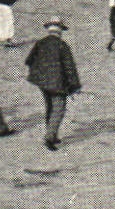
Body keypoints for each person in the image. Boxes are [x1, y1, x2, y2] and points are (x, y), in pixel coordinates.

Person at [25, 16, 81, 151]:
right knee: (59, 109)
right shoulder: (62, 45)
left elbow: (28, 60)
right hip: (58, 83)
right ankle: (49, 137)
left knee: (49, 107)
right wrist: (75, 86)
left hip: (42, 83)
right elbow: (70, 68)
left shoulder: (40, 43)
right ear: (60, 31)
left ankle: (53, 134)